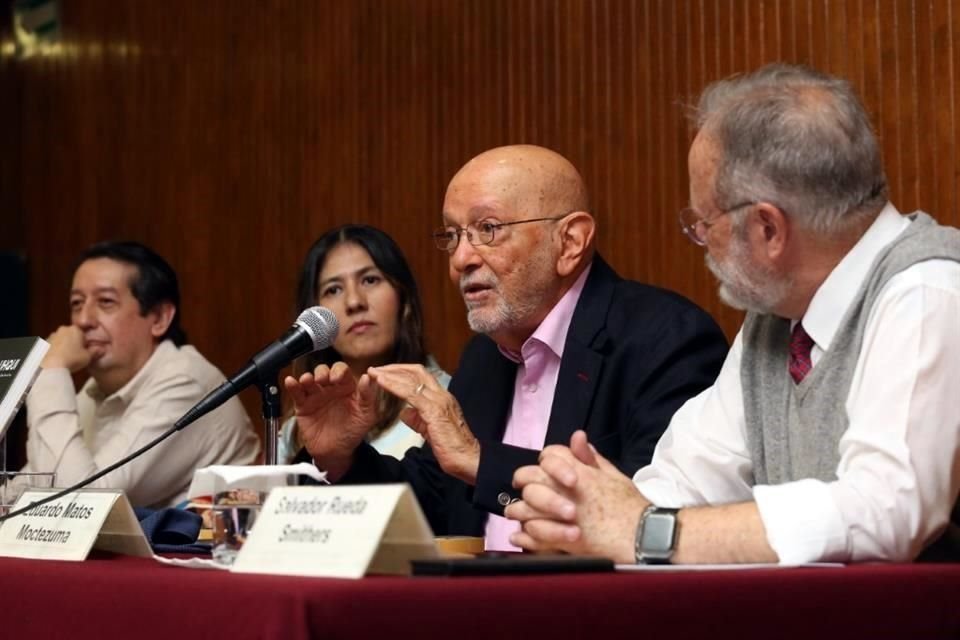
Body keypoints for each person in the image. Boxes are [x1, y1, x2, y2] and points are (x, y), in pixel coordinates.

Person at [506, 64, 960, 564]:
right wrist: (579, 517)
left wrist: (645, 532)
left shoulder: (928, 290)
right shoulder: (777, 316)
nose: (701, 242)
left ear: (768, 229)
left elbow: (886, 511)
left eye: (704, 223)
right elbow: (688, 479)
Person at [286, 144, 729, 550]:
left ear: (570, 242)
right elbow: (433, 502)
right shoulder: (484, 356)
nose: (461, 259)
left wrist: (481, 461)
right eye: (453, 236)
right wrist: (341, 457)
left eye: (488, 229)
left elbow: (649, 516)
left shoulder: (665, 338)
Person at [19, 241, 260, 508]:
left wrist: (53, 369)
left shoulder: (184, 382)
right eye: (77, 303)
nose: (83, 320)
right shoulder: (98, 388)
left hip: (225, 534)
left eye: (106, 302)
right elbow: (30, 487)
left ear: (159, 318)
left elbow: (81, 505)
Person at [277, 224, 451, 462]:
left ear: (405, 301)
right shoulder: (298, 427)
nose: (354, 302)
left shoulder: (444, 399)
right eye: (333, 290)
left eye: (370, 280)